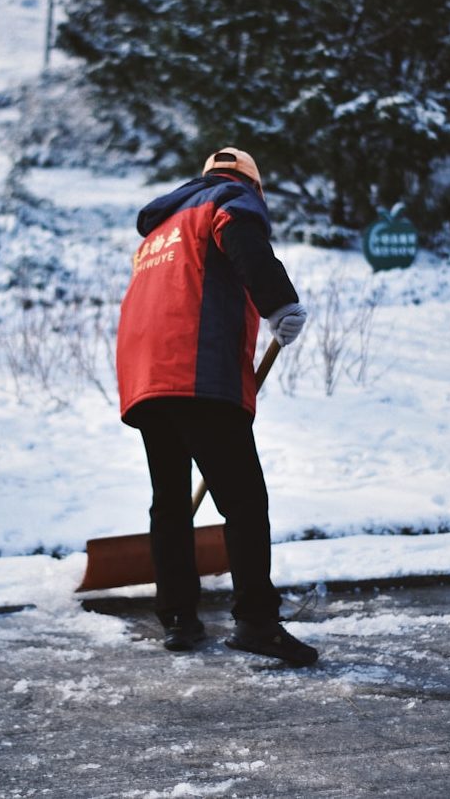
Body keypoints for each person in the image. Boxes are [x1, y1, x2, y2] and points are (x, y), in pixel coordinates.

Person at [116, 147, 318, 667]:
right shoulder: (229, 200)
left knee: (169, 497)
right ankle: (256, 622)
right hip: (197, 368)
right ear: (255, 186)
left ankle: (178, 617)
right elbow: (244, 241)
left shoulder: (163, 226)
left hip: (144, 374)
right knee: (244, 502)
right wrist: (280, 304)